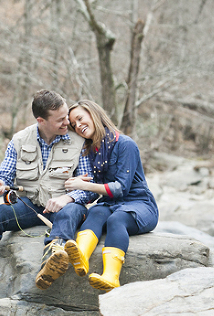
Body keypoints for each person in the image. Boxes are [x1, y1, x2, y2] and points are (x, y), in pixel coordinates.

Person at [0, 90, 96, 298]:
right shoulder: (19, 140)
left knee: (70, 212)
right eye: (60, 120)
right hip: (31, 207)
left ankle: (53, 258)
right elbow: (4, 176)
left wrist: (67, 198)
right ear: (41, 120)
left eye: (67, 117)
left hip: (68, 205)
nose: (67, 123)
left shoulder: (79, 142)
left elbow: (90, 187)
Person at [63, 99, 159, 292]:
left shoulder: (125, 144)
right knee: (95, 212)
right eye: (74, 125)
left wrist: (84, 185)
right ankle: (80, 255)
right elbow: (91, 190)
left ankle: (111, 277)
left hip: (139, 204)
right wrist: (75, 184)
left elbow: (120, 188)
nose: (78, 126)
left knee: (116, 220)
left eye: (80, 118)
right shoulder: (90, 151)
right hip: (110, 204)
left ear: (94, 114)